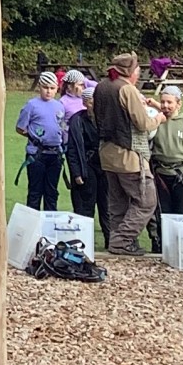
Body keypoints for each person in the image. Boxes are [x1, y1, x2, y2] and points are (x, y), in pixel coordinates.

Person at [91, 52, 160, 255]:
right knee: (147, 201)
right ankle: (122, 241)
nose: (139, 71)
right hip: (129, 155)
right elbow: (142, 123)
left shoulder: (101, 87)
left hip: (106, 153)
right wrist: (159, 119)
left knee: (118, 203)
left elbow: (95, 117)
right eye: (137, 68)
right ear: (130, 71)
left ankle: (116, 242)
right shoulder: (127, 90)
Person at [147, 82, 183, 250]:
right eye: (163, 102)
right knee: (162, 215)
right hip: (160, 175)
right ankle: (163, 248)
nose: (165, 106)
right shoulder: (156, 121)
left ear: (179, 103)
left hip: (181, 176)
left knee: (181, 216)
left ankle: (182, 249)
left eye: (170, 102)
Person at [61, 71, 108, 244]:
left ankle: (111, 242)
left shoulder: (104, 120)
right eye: (90, 102)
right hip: (85, 162)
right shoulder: (74, 117)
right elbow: (72, 147)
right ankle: (83, 243)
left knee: (106, 205)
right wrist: (76, 172)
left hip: (103, 165)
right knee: (85, 205)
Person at [15, 70, 67, 211]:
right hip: (37, 154)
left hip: (55, 154)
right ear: (39, 87)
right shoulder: (32, 105)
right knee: (35, 191)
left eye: (52, 88)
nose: (48, 91)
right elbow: (20, 127)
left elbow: (62, 125)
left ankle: (49, 225)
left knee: (52, 192)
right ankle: (33, 225)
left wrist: (64, 138)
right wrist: (34, 137)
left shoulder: (59, 106)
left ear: (57, 88)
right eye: (45, 87)